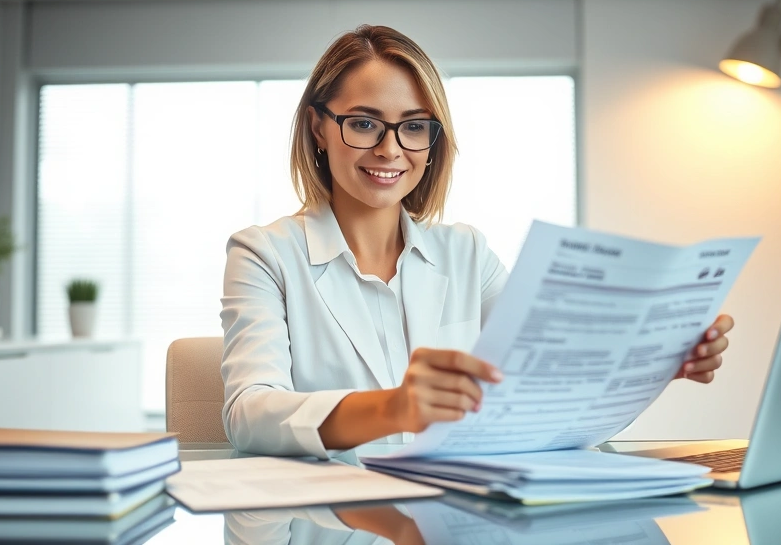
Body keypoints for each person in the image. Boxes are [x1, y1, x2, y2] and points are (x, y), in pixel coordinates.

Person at [220, 25, 734, 459]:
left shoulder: (467, 255)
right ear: (318, 127)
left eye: (414, 127)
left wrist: (649, 364)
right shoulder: (264, 255)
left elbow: (545, 394)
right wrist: (394, 407)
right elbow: (248, 415)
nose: (390, 149)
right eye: (364, 123)